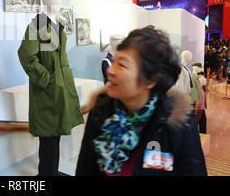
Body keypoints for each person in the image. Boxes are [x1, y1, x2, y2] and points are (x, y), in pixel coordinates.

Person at [76, 27, 207, 176]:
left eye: (122, 65)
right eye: (114, 62)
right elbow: (85, 169)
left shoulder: (177, 122)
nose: (111, 71)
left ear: (150, 79)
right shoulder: (101, 111)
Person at [18, 0, 83, 176]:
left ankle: (50, 172)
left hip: (60, 91)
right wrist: (47, 79)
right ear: (44, 1)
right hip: (48, 92)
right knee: (48, 138)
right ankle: (46, 175)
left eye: (59, 0)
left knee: (55, 137)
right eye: (54, 0)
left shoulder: (55, 25)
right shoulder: (37, 26)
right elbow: (26, 55)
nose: (58, 4)